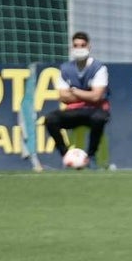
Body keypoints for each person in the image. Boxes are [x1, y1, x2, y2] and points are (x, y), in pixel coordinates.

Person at [43, 31, 110, 168]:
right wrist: (87, 94)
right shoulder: (65, 69)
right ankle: (66, 155)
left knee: (99, 119)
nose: (79, 49)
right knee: (51, 119)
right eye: (76, 45)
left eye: (82, 45)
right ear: (72, 48)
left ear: (89, 47)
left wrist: (75, 91)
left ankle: (91, 157)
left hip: (94, 110)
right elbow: (63, 97)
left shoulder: (98, 68)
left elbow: (97, 97)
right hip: (73, 110)